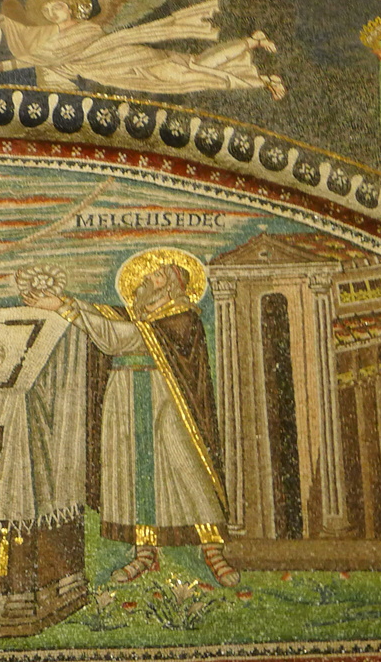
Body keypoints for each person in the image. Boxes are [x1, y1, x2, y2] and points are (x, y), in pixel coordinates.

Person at [21, 248, 239, 586]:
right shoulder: (139, 314)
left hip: (168, 399)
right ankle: (144, 553)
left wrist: (65, 310)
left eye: (158, 275)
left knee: (186, 466)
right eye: (147, 274)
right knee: (132, 472)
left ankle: (212, 548)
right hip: (125, 398)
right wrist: (64, 301)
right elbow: (108, 317)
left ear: (174, 283)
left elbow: (119, 337)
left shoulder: (182, 318)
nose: (147, 280)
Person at [0, 0, 284, 100]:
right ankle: (251, 46)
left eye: (56, 6)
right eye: (47, 11)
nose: (52, 12)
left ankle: (257, 76)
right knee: (193, 68)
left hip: (129, 59)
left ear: (70, 6)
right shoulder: (48, 37)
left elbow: (43, 58)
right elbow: (30, 44)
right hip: (112, 75)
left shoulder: (87, 28)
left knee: (188, 74)